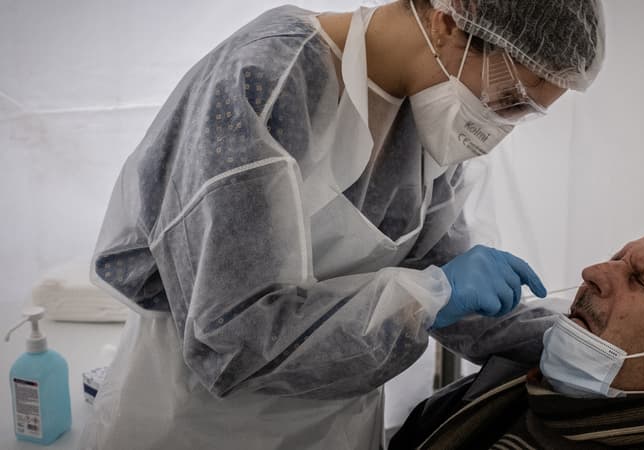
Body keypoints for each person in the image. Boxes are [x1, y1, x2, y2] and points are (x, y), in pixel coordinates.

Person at [79, 1, 605, 449]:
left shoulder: (427, 118)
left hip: (337, 427)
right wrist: (429, 294)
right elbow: (234, 339)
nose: (501, 124)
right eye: (509, 98)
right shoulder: (267, 78)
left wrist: (585, 351)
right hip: (198, 423)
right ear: (449, 21)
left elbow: (443, 289)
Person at [389, 230, 644, 449]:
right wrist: (428, 295)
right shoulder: (526, 388)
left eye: (637, 279)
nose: (592, 272)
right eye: (613, 259)